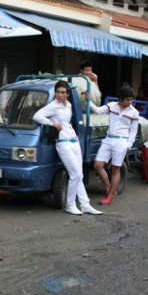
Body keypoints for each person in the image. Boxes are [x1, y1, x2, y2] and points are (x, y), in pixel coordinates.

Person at [33, 81, 102, 215]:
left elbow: (67, 123)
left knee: (79, 175)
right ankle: (70, 205)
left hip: (73, 142)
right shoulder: (53, 106)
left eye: (63, 92)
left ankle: (85, 204)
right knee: (75, 174)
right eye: (58, 92)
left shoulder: (68, 105)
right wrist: (52, 123)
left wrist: (74, 134)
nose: (60, 95)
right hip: (63, 143)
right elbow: (37, 116)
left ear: (68, 94)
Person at [85, 85, 139, 205]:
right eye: (128, 99)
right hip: (108, 139)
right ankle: (109, 188)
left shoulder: (134, 112)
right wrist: (89, 100)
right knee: (98, 165)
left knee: (115, 169)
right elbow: (98, 111)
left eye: (131, 100)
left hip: (121, 142)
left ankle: (109, 196)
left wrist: (128, 145)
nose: (130, 102)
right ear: (121, 98)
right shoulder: (111, 105)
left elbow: (133, 130)